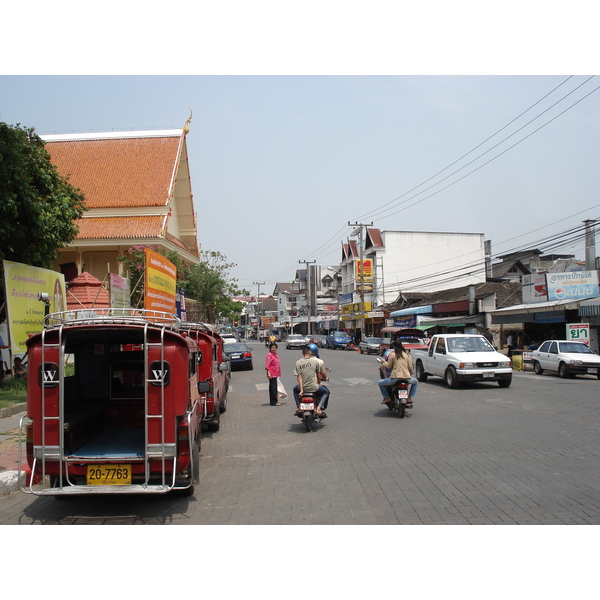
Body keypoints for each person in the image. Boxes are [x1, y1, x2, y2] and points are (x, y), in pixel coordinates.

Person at [378, 340, 418, 405]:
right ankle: (410, 397)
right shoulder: (407, 355)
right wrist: (410, 372)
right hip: (406, 378)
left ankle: (387, 397)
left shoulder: (392, 355)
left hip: (395, 378)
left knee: (380, 383)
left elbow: (388, 366)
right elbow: (410, 367)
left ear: (394, 347)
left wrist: (383, 361)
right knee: (416, 382)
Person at [293, 345, 328, 415]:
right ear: (310, 352)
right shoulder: (315, 362)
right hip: (314, 387)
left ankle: (299, 407)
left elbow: (299, 377)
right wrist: (319, 383)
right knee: (325, 392)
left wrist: (301, 390)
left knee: (295, 390)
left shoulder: (298, 363)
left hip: (303, 387)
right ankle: (319, 408)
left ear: (302, 353)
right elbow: (318, 375)